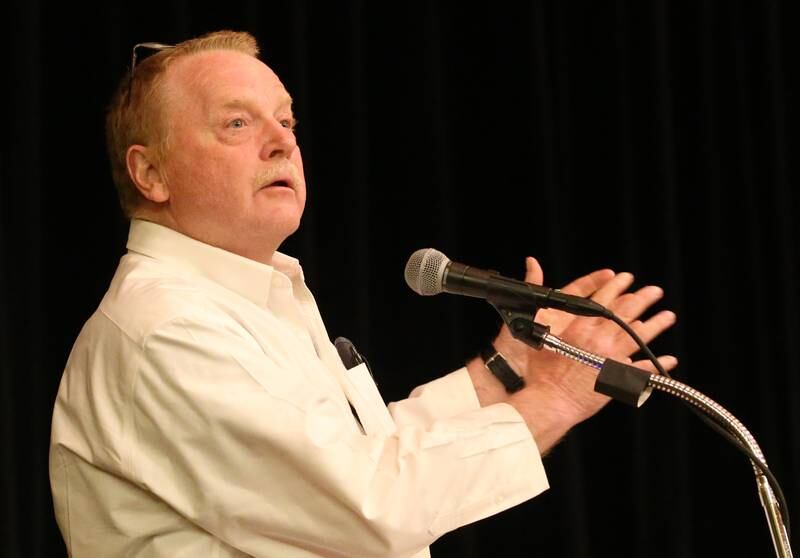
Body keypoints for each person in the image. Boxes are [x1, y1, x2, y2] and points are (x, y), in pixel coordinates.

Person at [49, 30, 677, 557]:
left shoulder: (244, 299)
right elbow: (367, 503)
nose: (282, 140)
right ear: (150, 173)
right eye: (237, 122)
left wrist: (505, 374)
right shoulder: (165, 329)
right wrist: (556, 398)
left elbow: (356, 457)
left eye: (286, 119)